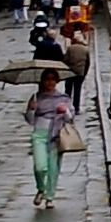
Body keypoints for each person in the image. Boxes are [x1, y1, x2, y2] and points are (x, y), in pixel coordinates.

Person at [23, 70, 74, 206]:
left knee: (53, 168)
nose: (50, 82)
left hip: (56, 136)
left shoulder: (63, 98)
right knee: (40, 167)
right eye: (47, 79)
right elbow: (30, 120)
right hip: (39, 134)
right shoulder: (36, 97)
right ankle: (41, 188)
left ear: (57, 81)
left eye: (52, 79)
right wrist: (31, 109)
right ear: (42, 81)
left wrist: (65, 111)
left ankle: (49, 197)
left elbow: (70, 118)